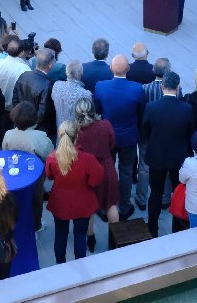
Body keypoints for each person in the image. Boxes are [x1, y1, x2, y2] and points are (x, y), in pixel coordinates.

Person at [140, 71, 194, 237]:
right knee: (179, 193)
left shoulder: (151, 107)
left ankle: (152, 228)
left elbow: (144, 133)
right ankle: (177, 229)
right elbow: (190, 133)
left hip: (157, 156)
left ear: (162, 86)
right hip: (178, 158)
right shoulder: (186, 108)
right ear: (178, 88)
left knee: (155, 193)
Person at [93, 55, 144, 220]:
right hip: (128, 137)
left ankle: (105, 206)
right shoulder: (137, 88)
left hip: (107, 137)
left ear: (110, 68)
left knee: (106, 171)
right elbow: (140, 112)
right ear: (128, 69)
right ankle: (124, 206)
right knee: (126, 172)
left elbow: (97, 110)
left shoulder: (101, 86)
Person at [46, 122, 103, 264]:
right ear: (77, 136)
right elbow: (96, 179)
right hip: (82, 202)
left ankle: (60, 264)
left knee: (60, 234)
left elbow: (50, 175)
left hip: (60, 202)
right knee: (80, 235)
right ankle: (80, 266)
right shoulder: (87, 158)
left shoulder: (53, 157)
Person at [71, 97, 119, 251]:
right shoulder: (106, 125)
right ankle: (115, 241)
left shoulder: (76, 132)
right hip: (107, 168)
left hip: (87, 172)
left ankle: (91, 240)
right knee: (111, 204)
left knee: (89, 209)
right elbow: (112, 144)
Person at [12, 48, 57, 142]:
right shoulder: (47, 85)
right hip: (36, 129)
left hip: (20, 123)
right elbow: (42, 112)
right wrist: (31, 126)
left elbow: (15, 98)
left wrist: (20, 117)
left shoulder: (24, 75)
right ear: (50, 65)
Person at [51, 60, 93, 131]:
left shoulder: (57, 86)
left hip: (60, 132)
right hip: (76, 134)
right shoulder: (86, 94)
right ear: (81, 74)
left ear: (66, 73)